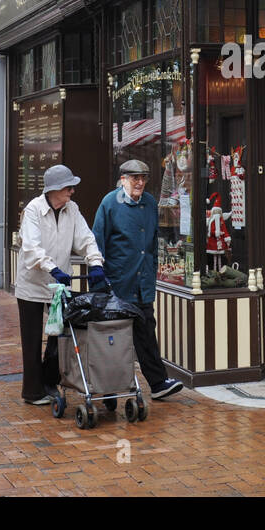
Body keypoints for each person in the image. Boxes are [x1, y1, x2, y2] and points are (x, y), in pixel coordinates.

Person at [92, 159, 183, 400]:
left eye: (143, 178)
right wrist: (98, 277)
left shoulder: (151, 203)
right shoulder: (110, 203)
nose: (140, 182)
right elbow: (96, 242)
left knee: (146, 334)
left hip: (143, 284)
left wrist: (152, 269)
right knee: (113, 339)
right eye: (135, 178)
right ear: (123, 179)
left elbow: (152, 243)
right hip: (118, 283)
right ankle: (108, 389)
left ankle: (158, 383)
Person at [17, 164, 106, 405]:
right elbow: (32, 249)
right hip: (33, 284)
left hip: (59, 284)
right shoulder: (33, 211)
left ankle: (49, 380)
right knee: (33, 338)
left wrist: (95, 262)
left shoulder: (71, 209)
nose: (72, 192)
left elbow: (85, 238)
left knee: (61, 335)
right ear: (54, 189)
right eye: (68, 187)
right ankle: (33, 391)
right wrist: (52, 268)